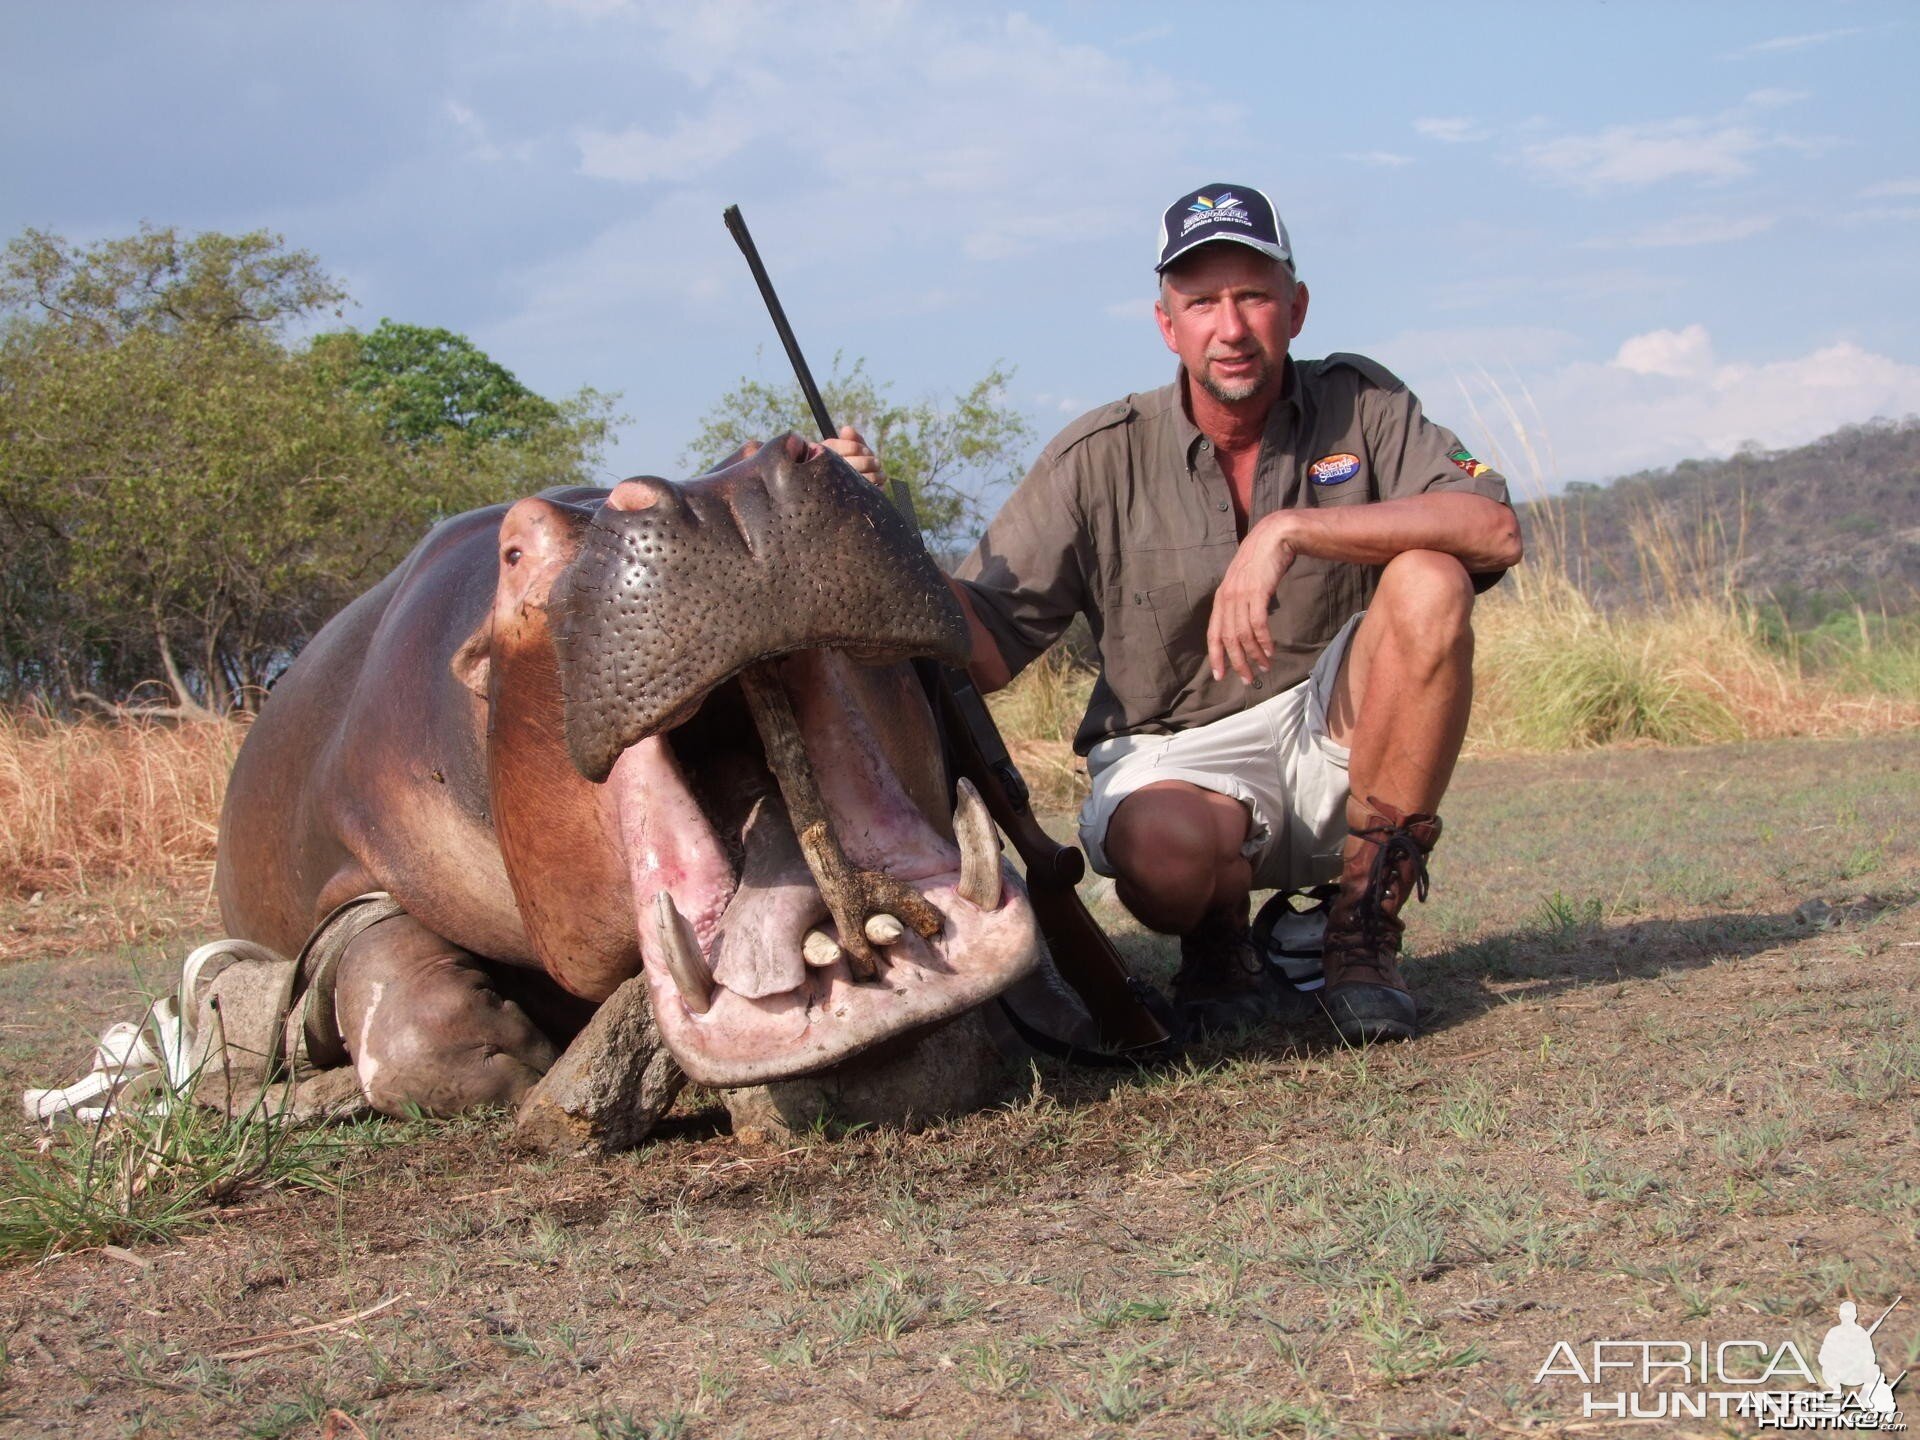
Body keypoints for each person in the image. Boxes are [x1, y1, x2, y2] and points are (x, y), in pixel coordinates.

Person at [826, 182, 1522, 1043]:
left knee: (1432, 579)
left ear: (1295, 309)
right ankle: (1220, 940)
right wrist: (873, 533)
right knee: (1162, 856)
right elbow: (985, 648)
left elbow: (1492, 528)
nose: (1230, 328)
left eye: (1253, 296)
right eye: (1201, 303)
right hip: (1178, 760)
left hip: (1334, 730)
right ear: (1167, 324)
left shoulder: (1366, 404)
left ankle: (1359, 934)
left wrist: (1289, 529)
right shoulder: (1096, 456)